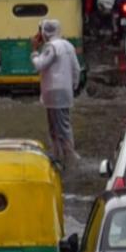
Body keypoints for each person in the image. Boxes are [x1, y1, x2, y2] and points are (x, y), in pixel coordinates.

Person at [31, 18, 80, 162]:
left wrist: (34, 50)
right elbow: (76, 68)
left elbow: (39, 65)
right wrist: (72, 86)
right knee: (61, 124)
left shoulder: (51, 47)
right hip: (65, 92)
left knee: (58, 127)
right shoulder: (68, 45)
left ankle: (69, 157)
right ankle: (60, 154)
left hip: (53, 93)